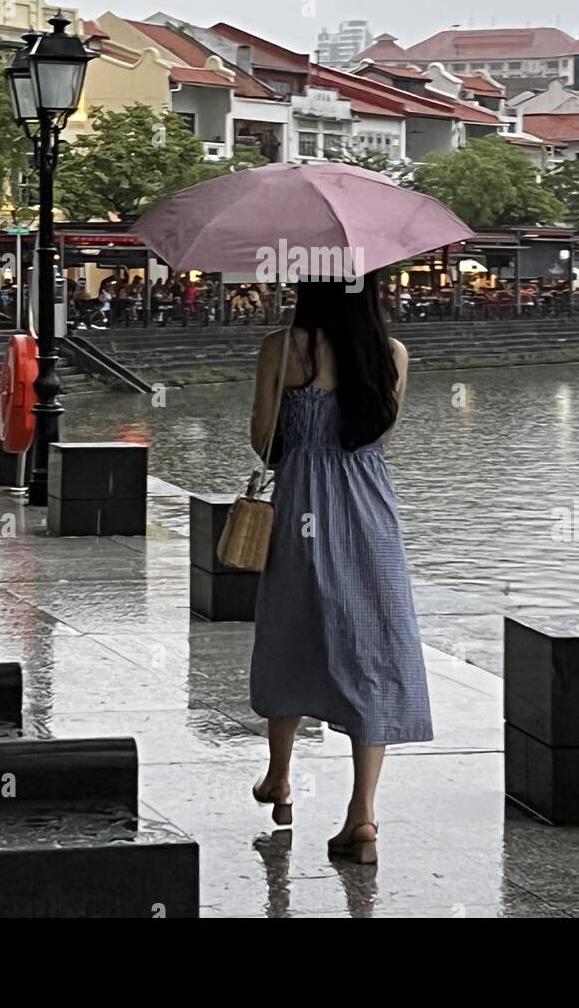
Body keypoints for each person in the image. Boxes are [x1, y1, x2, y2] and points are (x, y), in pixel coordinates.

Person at [248, 273, 432, 864]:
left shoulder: (283, 347)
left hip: (301, 505)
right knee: (372, 648)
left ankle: (279, 777)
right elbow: (380, 439)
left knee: (291, 630)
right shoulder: (392, 355)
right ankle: (362, 816)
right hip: (370, 515)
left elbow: (262, 442)